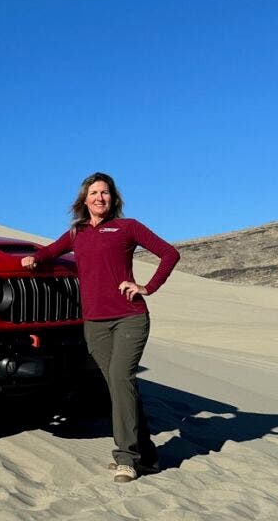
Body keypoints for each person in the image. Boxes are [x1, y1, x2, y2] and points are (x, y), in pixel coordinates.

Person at [22, 172, 179, 483]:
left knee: (122, 379)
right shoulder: (78, 233)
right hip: (94, 323)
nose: (99, 198)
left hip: (129, 317)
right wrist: (34, 259)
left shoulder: (127, 227)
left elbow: (169, 254)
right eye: (94, 192)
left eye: (105, 192)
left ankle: (126, 458)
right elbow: (51, 251)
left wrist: (147, 287)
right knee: (120, 389)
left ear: (113, 198)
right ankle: (146, 455)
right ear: (84, 199)